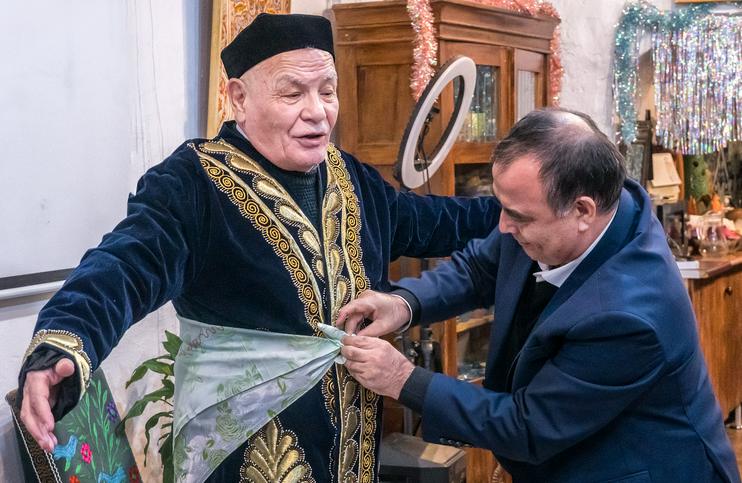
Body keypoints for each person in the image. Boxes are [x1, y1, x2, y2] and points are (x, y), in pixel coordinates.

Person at [16, 13, 500, 483]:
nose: (317, 111)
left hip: (354, 454)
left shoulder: (351, 177)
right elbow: (124, 267)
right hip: (246, 457)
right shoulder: (194, 184)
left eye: (327, 90)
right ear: (239, 98)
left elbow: (441, 223)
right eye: (293, 93)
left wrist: (520, 208)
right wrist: (66, 337)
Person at [338, 108, 741, 483]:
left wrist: (403, 379)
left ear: (582, 211)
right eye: (502, 206)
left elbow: (527, 426)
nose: (503, 226)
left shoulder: (630, 315)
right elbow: (480, 268)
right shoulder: (556, 209)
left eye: (517, 216)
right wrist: (405, 303)